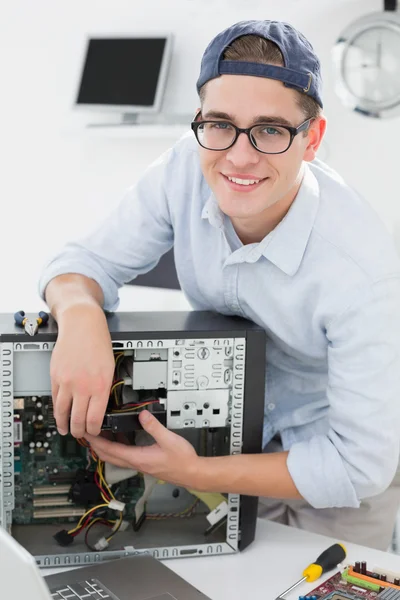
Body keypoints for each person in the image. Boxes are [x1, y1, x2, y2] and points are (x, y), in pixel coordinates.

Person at [39, 20, 400, 550]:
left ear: (313, 139)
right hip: (227, 445)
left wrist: (202, 473)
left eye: (271, 130)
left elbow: (358, 465)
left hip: (335, 479)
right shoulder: (185, 166)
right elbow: (82, 261)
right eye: (220, 124)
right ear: (199, 121)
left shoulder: (364, 272)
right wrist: (79, 318)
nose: (239, 156)